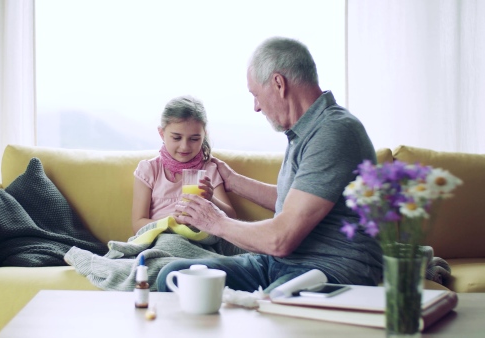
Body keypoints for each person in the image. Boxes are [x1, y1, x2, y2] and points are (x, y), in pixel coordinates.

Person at [157, 37, 382, 293]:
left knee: (278, 302)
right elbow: (296, 202)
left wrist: (215, 221)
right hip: (277, 263)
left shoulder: (334, 131)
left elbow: (281, 240)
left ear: (278, 83)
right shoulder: (305, 130)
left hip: (330, 267)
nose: (256, 106)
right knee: (173, 276)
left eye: (255, 94)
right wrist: (232, 181)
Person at [131, 95, 237, 234]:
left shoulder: (208, 170)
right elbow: (138, 224)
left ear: (204, 135)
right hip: (162, 238)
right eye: (176, 138)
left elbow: (232, 218)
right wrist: (172, 222)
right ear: (162, 133)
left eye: (194, 139)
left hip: (198, 240)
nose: (184, 146)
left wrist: (211, 200)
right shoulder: (149, 170)